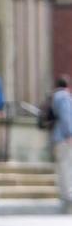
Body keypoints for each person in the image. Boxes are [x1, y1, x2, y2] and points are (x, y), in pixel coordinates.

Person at [49, 76, 72, 210]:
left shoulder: (54, 97)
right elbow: (66, 116)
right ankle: (68, 197)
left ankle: (64, 195)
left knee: (61, 167)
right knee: (67, 167)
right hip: (64, 138)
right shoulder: (64, 97)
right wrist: (69, 134)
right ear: (67, 86)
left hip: (56, 137)